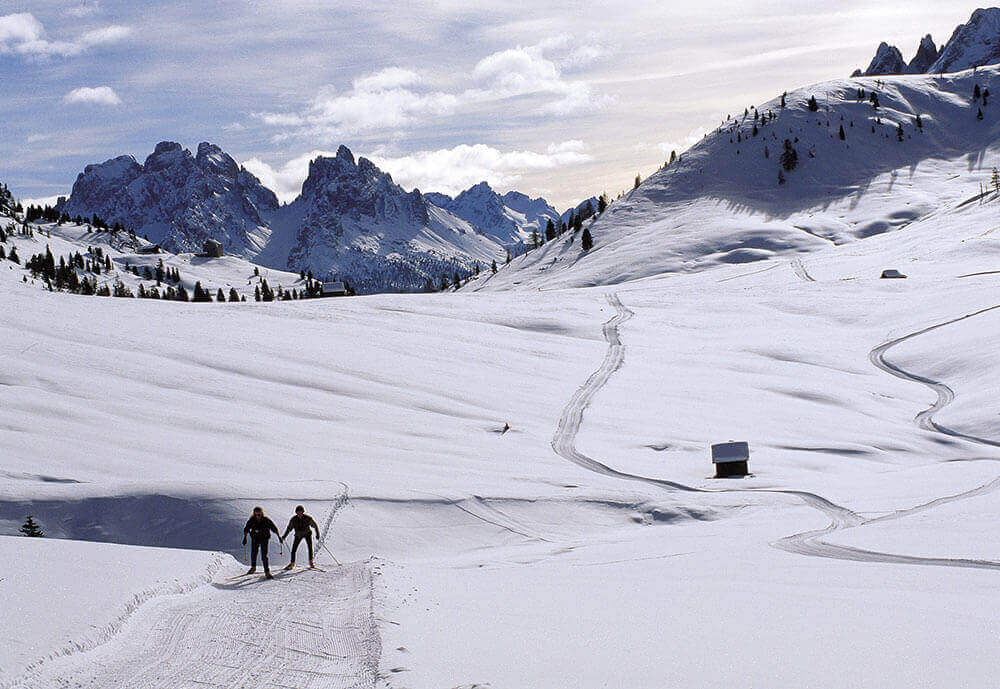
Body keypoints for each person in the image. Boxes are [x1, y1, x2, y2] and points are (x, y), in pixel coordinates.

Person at [243, 506, 281, 578]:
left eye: (259, 514)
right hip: (255, 538)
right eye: (256, 514)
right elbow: (246, 529)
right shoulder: (252, 520)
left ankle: (267, 572)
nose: (258, 516)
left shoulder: (266, 520)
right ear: (254, 514)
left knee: (264, 555)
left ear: (262, 513)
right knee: (253, 554)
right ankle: (253, 568)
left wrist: (279, 536)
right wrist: (245, 538)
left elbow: (274, 528)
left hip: (264, 539)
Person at [281, 505, 321, 569]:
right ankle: (292, 563)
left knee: (310, 548)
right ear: (296, 513)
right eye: (298, 512)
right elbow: (289, 528)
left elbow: (315, 525)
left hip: (307, 534)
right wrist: (284, 536)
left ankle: (311, 563)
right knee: (294, 549)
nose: (299, 514)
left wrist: (317, 534)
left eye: (301, 512)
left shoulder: (308, 518)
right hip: (298, 535)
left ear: (303, 512)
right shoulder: (293, 519)